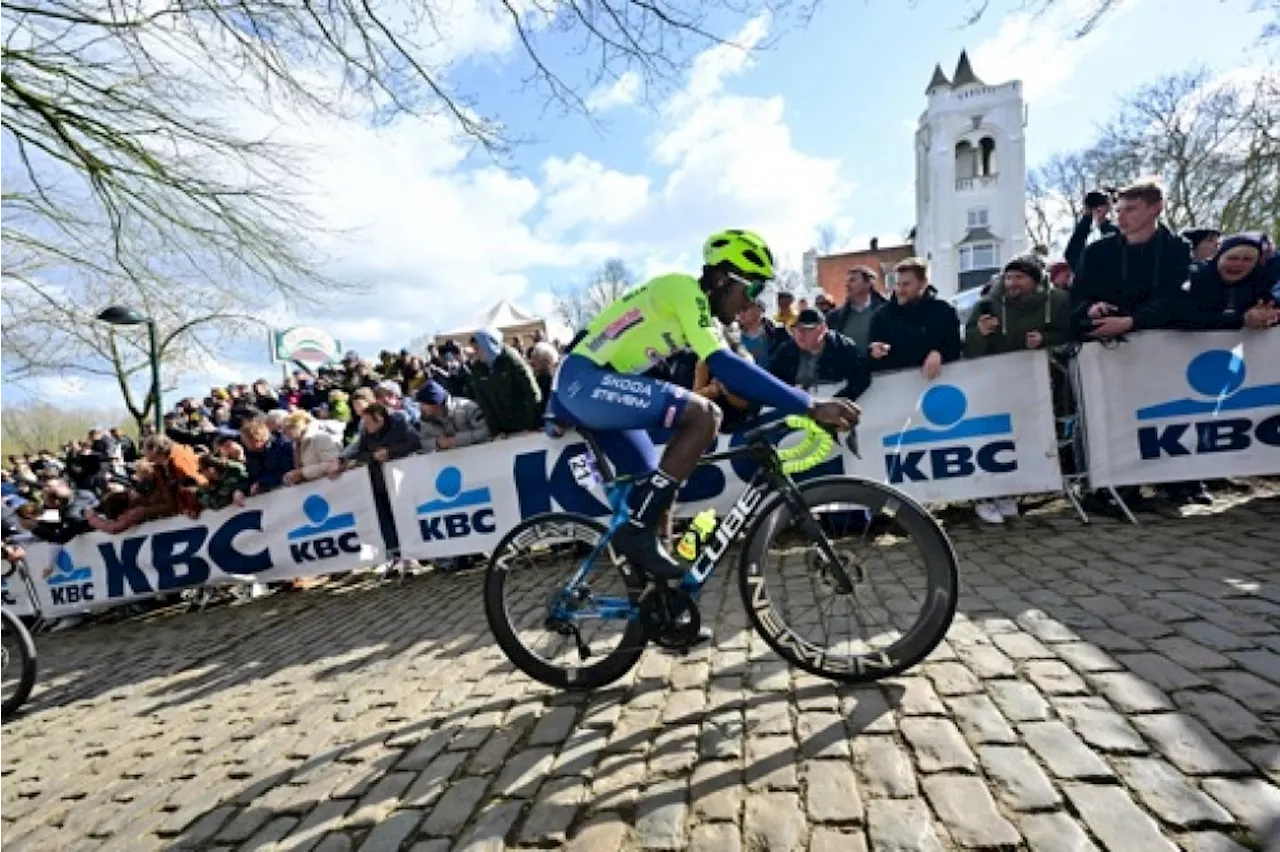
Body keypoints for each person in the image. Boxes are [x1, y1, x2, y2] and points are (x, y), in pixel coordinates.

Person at [547, 229, 859, 584]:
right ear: (724, 278)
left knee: (657, 486)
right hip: (584, 381)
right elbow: (724, 365)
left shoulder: (704, 317)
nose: (752, 302)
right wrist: (811, 405)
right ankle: (635, 533)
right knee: (703, 414)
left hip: (599, 386)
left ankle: (661, 602)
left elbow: (740, 369)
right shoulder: (683, 290)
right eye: (753, 288)